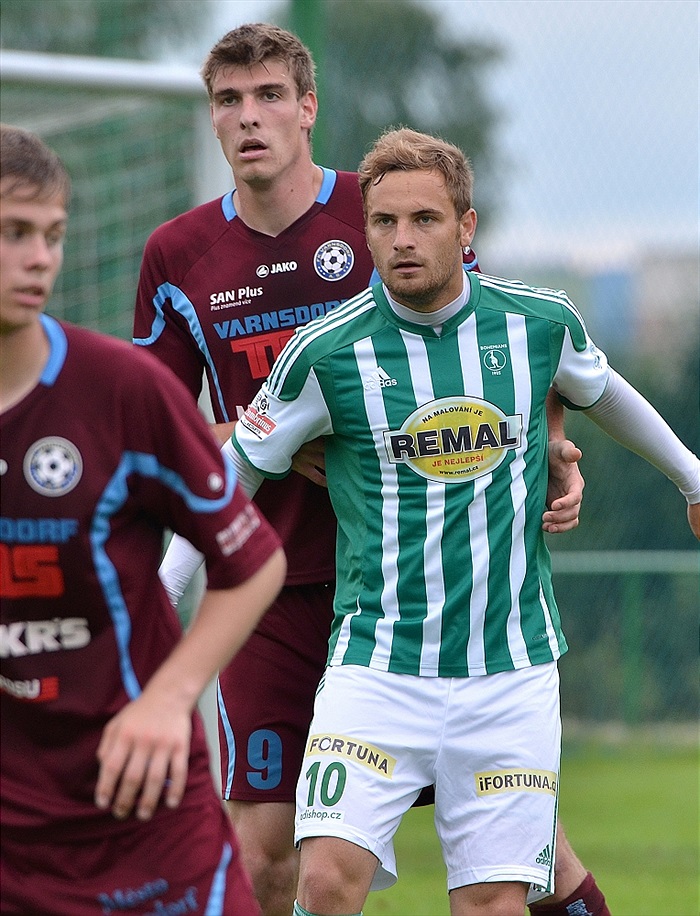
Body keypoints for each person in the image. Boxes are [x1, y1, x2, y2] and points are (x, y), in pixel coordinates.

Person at [138, 23, 606, 916]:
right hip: (269, 591)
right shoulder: (177, 254)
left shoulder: (389, 205)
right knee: (269, 851)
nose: (250, 117)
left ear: (308, 108)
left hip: (422, 591)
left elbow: (503, 340)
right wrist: (262, 435)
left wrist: (551, 444)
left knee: (530, 857)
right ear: (211, 117)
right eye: (229, 100)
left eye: (270, 95)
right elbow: (152, 426)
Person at [221, 127, 700, 915]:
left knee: (494, 902)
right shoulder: (326, 353)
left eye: (425, 219)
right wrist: (160, 592)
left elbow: (604, 391)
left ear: (465, 226)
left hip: (509, 673)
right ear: (366, 230)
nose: (403, 239)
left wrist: (691, 479)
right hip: (376, 668)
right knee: (326, 879)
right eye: (385, 222)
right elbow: (235, 472)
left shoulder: (539, 323)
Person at [0, 124, 286, 916]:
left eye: (52, 234)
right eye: (14, 233)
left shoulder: (120, 392)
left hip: (147, 809)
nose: (40, 258)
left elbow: (251, 561)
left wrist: (169, 698)